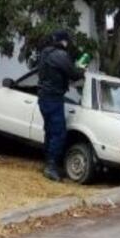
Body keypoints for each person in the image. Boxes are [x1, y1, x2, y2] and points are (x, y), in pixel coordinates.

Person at [38, 30, 85, 182]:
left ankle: (48, 163)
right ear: (64, 41)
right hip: (53, 98)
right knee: (58, 133)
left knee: (50, 131)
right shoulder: (60, 55)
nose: (67, 43)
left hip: (44, 97)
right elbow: (74, 74)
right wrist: (82, 68)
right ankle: (51, 167)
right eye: (67, 41)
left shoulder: (45, 52)